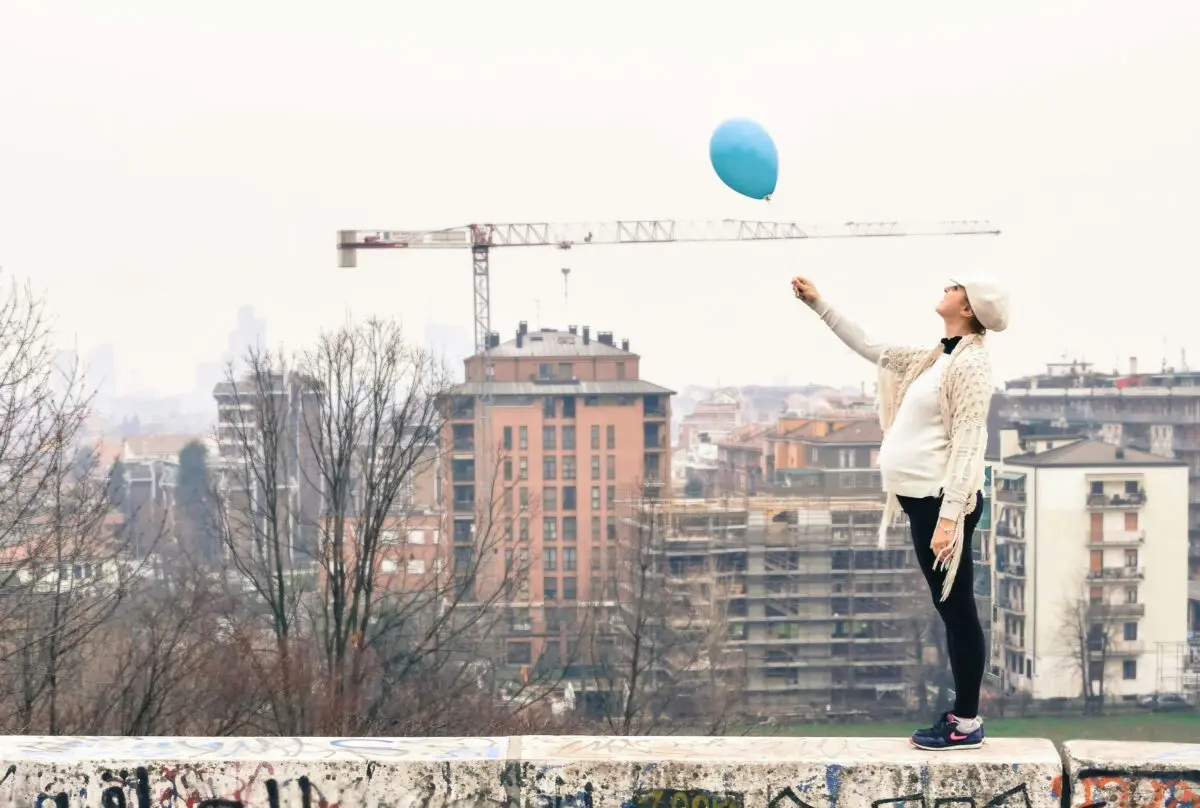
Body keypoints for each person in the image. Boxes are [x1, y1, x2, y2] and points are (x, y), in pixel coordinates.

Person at [791, 274, 1009, 751]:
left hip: (941, 504)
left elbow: (971, 440)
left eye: (956, 286)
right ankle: (964, 716)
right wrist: (818, 303)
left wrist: (950, 518)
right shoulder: (936, 357)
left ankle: (966, 722)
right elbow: (872, 347)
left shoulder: (970, 365)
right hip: (923, 503)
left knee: (957, 610)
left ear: (968, 308)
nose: (946, 287)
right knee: (951, 609)